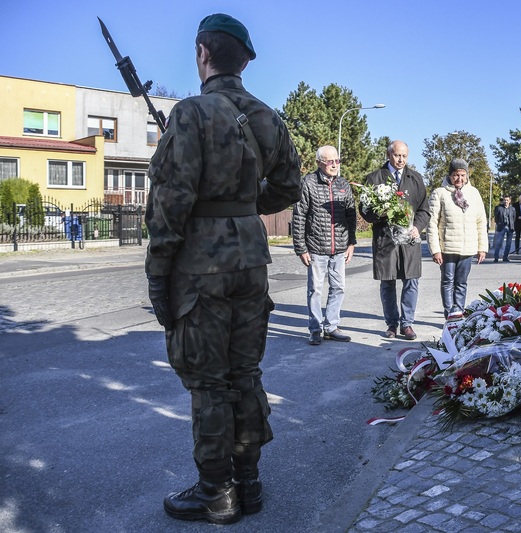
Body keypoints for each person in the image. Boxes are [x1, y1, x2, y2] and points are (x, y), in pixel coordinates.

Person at [145, 14, 301, 525]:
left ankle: (216, 492)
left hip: (202, 266)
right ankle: (248, 483)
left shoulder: (190, 114)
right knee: (245, 373)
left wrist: (157, 274)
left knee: (210, 383)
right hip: (252, 261)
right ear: (244, 61)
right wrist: (242, 202)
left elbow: (170, 204)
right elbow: (287, 189)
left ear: (202, 54)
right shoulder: (269, 119)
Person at [360, 140, 430, 340]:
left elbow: (425, 210)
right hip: (386, 240)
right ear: (388, 155)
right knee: (387, 282)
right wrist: (379, 213)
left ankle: (407, 324)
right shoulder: (374, 178)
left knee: (411, 281)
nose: (401, 160)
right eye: (398, 155)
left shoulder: (415, 179)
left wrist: (417, 227)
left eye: (405, 156)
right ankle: (391, 324)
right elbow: (364, 209)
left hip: (409, 241)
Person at [292, 145, 356, 345]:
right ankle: (314, 329)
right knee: (315, 290)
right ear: (319, 162)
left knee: (338, 288)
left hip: (339, 248)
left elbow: (351, 216)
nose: (335, 165)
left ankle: (331, 326)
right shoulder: (308, 183)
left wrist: (351, 242)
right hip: (316, 247)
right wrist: (300, 247)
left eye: (337, 161)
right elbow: (299, 215)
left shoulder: (344, 184)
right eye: (330, 161)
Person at [427, 158, 488, 319]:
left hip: (467, 248)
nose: (459, 179)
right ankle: (449, 315)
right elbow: (432, 223)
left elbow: (481, 221)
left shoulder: (474, 194)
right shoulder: (439, 194)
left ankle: (458, 312)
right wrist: (435, 250)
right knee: (448, 282)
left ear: (467, 176)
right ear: (449, 175)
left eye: (462, 175)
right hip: (447, 248)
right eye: (456, 175)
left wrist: (482, 248)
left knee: (461, 283)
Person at [492, 194, 515, 262]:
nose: (506, 201)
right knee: (498, 243)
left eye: (507, 200)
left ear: (510, 201)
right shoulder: (498, 208)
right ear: (503, 200)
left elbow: (514, 218)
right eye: (505, 200)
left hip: (510, 227)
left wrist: (512, 225)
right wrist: (499, 223)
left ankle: (505, 257)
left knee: (508, 243)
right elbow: (496, 217)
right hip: (501, 227)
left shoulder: (512, 209)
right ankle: (496, 257)